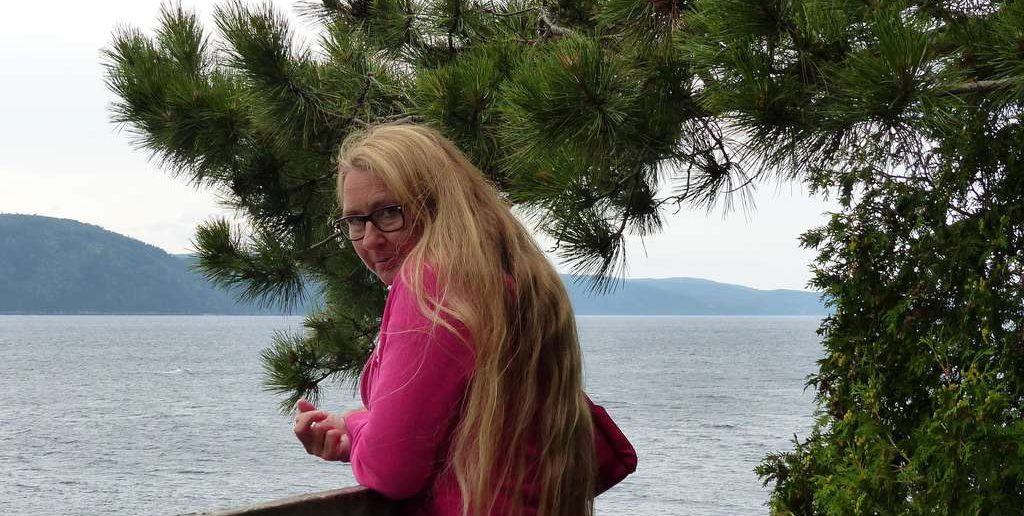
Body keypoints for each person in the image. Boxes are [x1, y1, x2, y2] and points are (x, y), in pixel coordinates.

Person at [293, 124, 636, 516]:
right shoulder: (506, 278)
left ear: (436, 206)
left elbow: (392, 471)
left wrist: (355, 424)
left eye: (389, 213)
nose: (370, 239)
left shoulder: (431, 284)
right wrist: (365, 437)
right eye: (355, 221)